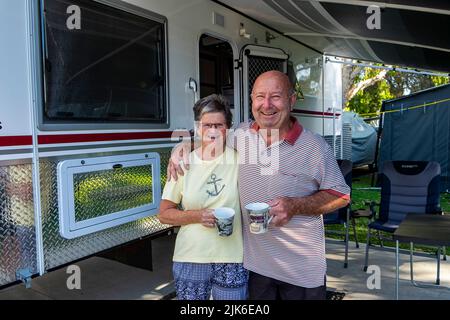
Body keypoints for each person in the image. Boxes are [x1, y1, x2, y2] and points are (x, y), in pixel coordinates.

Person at [168, 71, 350, 300]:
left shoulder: (314, 147)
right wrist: (182, 146)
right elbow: (210, 134)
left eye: (276, 96)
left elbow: (341, 195)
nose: (267, 105)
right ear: (252, 101)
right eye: (260, 97)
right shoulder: (242, 135)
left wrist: (296, 205)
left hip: (301, 270)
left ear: (291, 100)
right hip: (255, 268)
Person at [158, 94, 247, 300]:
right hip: (191, 256)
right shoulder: (183, 163)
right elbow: (164, 214)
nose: (213, 131)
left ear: (228, 128)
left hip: (232, 257)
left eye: (219, 125)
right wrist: (197, 216)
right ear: (198, 127)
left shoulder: (241, 159)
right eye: (207, 125)